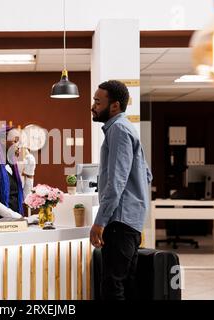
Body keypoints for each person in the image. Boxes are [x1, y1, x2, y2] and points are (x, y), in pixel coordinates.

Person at [89, 80, 152, 300]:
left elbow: (115, 183)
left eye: (98, 102)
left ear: (114, 106)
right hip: (130, 222)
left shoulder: (118, 130)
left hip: (119, 224)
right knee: (126, 285)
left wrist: (100, 222)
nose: (93, 106)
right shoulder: (126, 128)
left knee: (113, 288)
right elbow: (147, 175)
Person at [0, 126, 37, 225]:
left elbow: (22, 198)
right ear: (3, 141)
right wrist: (22, 219)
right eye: (16, 140)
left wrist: (30, 173)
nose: (19, 145)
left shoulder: (11, 167)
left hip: (12, 226)